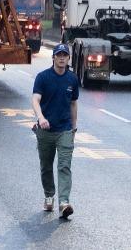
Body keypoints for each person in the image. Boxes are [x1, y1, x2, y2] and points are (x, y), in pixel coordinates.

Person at [32, 43, 80, 220]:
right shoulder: (43, 77)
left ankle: (64, 203)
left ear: (68, 58)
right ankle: (49, 195)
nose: (61, 58)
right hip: (45, 130)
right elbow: (35, 99)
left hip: (65, 129)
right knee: (46, 166)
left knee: (64, 166)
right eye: (58, 55)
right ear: (53, 57)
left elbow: (73, 103)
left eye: (64, 55)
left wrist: (74, 127)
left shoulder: (72, 79)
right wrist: (41, 118)